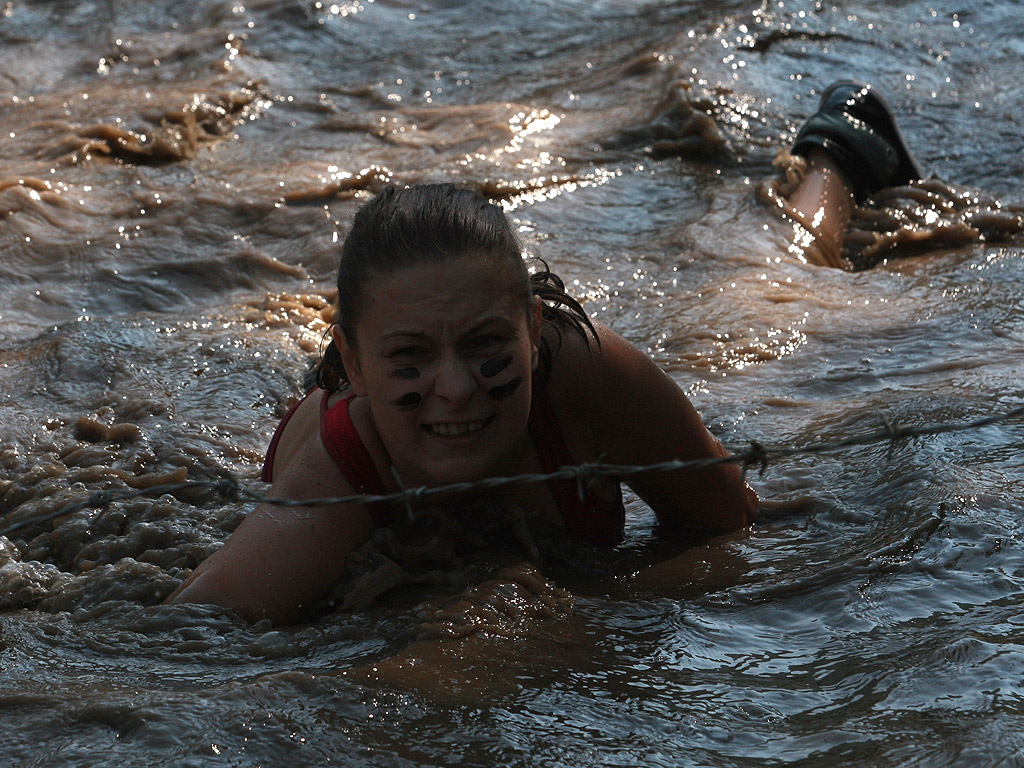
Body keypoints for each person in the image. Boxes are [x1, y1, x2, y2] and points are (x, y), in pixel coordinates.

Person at [166, 81, 924, 624]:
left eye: (487, 344)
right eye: (412, 359)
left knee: (774, 286)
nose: (457, 387)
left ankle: (840, 156)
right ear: (356, 365)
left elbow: (731, 527)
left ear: (532, 329)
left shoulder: (586, 376)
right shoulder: (342, 468)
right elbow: (186, 638)